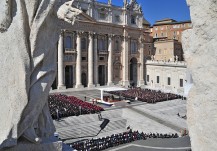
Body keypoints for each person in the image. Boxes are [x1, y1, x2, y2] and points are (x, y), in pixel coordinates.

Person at [0, 0, 81, 148]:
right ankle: (15, 128)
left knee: (45, 74)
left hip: (43, 25)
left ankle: (25, 125)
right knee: (19, 74)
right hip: (17, 21)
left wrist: (60, 8)